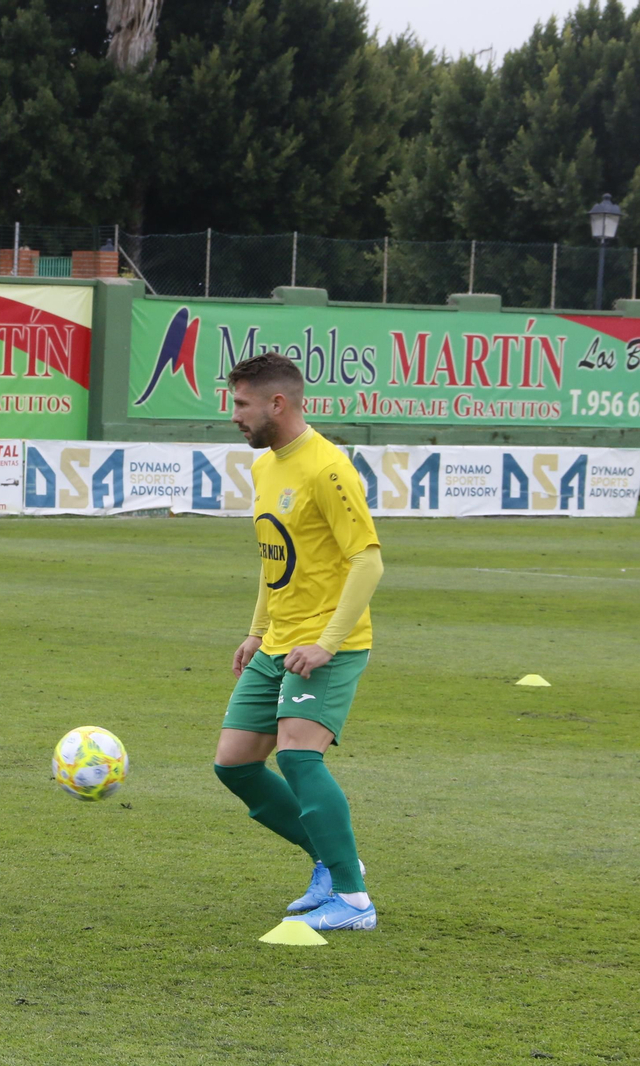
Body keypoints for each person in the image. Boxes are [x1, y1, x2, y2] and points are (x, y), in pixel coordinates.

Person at [212, 353, 384, 931]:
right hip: (279, 641)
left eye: (241, 403)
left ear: (276, 404)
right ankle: (330, 865)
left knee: (298, 756)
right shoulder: (265, 468)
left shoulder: (327, 468)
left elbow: (368, 561)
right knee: (235, 765)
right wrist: (257, 630)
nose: (234, 415)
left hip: (326, 644)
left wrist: (329, 643)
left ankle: (355, 901)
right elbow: (274, 560)